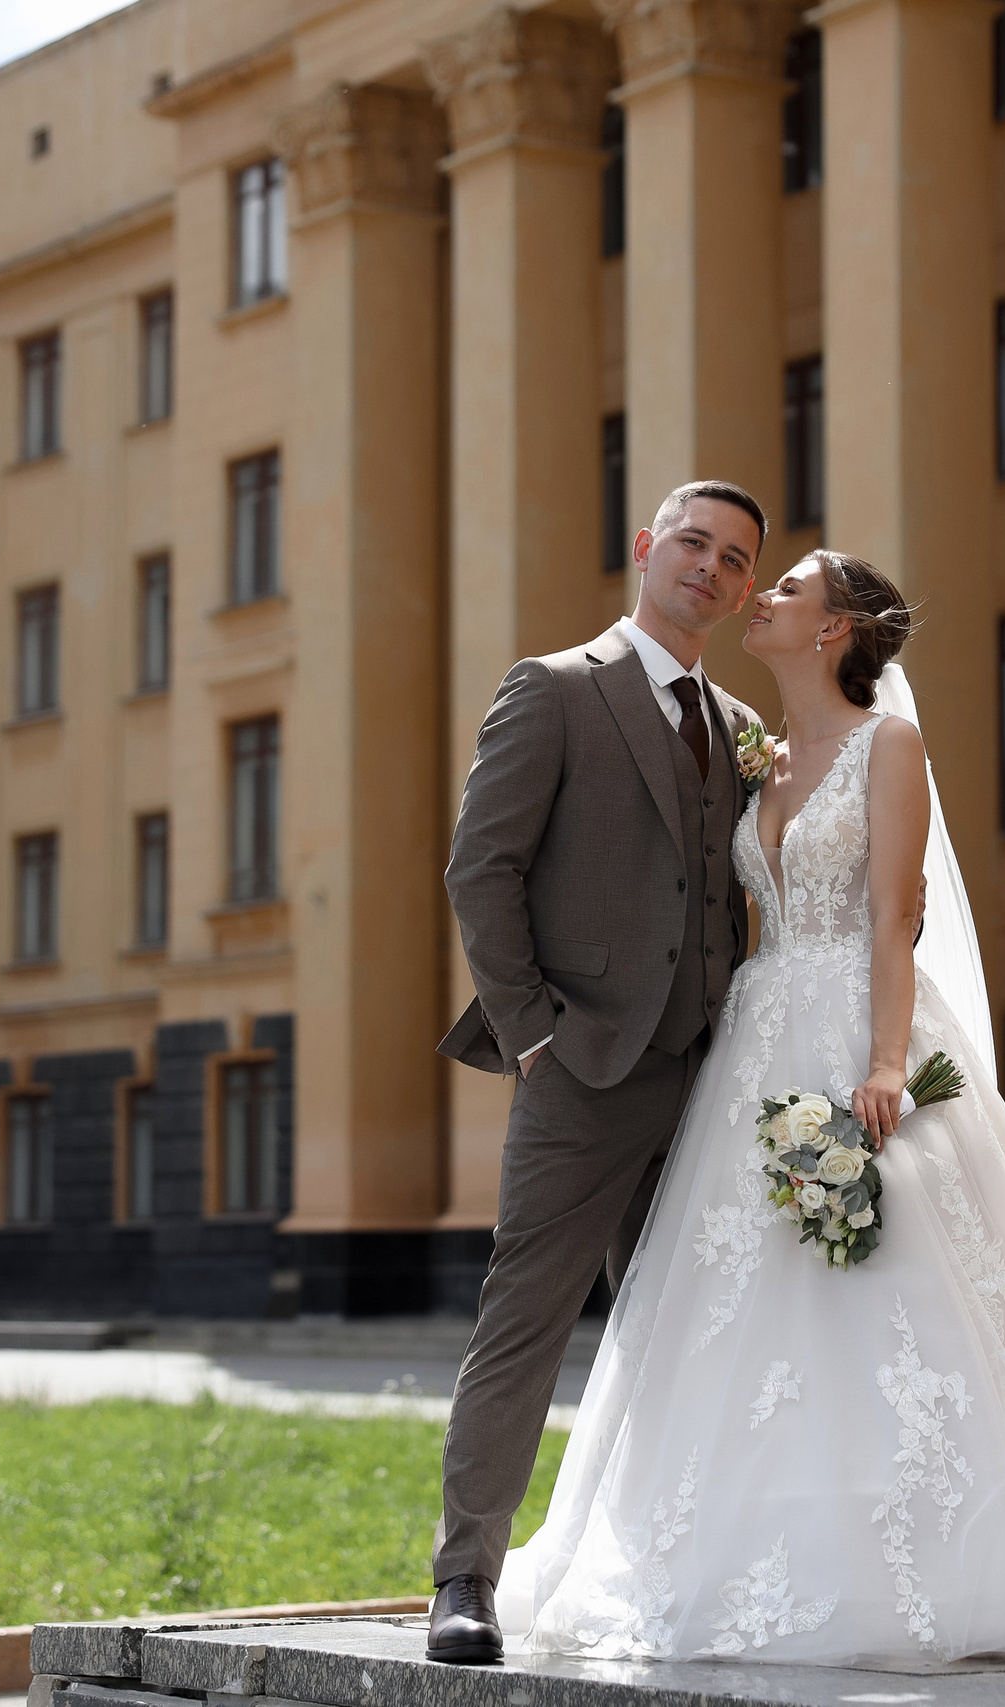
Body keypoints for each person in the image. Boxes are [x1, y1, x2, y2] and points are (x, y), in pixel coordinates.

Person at [489, 551, 1005, 1668]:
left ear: (836, 630)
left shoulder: (887, 746)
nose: (754, 596)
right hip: (753, 1045)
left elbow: (892, 918)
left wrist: (880, 1066)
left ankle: (948, 1555)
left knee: (899, 1286)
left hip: (859, 1026)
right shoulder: (755, 754)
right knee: (745, 1296)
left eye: (784, 590)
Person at [429, 480, 768, 1664]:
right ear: (643, 549)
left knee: (690, 1332)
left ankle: (675, 1569)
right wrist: (533, 1033)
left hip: (708, 1080)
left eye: (734, 560)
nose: (709, 569)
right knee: (524, 1323)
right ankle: (463, 1578)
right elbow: (482, 871)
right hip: (581, 1073)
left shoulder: (734, 723)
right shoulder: (557, 688)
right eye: (692, 543)